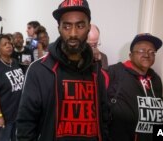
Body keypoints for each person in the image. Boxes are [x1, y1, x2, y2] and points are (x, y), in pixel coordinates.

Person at [16, 0, 109, 141]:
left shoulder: (97, 71)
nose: (73, 33)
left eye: (80, 26)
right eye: (66, 26)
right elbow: (26, 124)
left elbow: (105, 117)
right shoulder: (38, 70)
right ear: (58, 28)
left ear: (88, 28)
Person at [107, 33, 163, 141]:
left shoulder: (156, 80)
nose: (147, 55)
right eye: (141, 51)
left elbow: (158, 123)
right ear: (130, 55)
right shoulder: (114, 73)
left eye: (151, 52)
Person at [0, 34, 25, 141]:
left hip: (19, 113)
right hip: (6, 116)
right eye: (5, 44)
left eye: (10, 44)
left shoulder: (15, 63)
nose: (9, 46)